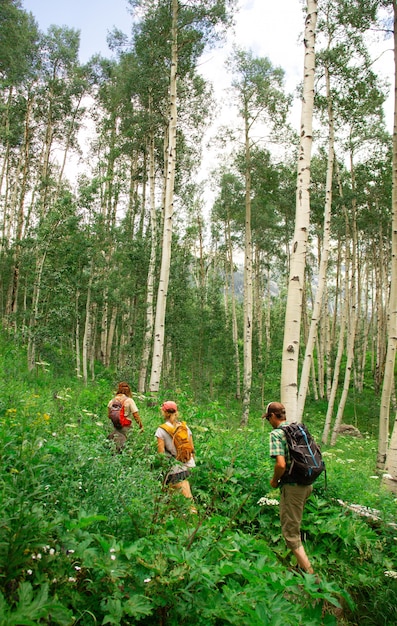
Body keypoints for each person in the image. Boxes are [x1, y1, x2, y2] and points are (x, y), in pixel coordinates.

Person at [264, 401, 315, 575]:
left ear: (272, 416)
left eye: (268, 419)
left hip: (293, 487)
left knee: (290, 533)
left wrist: (274, 481)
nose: (268, 422)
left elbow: (280, 465)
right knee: (295, 525)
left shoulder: (277, 434)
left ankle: (311, 578)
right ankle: (300, 567)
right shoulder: (298, 429)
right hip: (307, 483)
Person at [155, 400, 197, 513]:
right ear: (176, 412)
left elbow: (161, 454)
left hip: (172, 470)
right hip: (185, 467)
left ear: (164, 412)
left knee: (188, 503)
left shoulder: (161, 430)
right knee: (171, 503)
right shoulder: (184, 427)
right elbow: (192, 449)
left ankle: (195, 523)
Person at [107, 382, 143, 451]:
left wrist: (116, 418)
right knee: (127, 444)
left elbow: (109, 415)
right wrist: (140, 426)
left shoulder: (112, 401)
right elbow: (136, 415)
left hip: (115, 426)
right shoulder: (129, 401)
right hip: (126, 426)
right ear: (128, 390)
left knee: (115, 444)